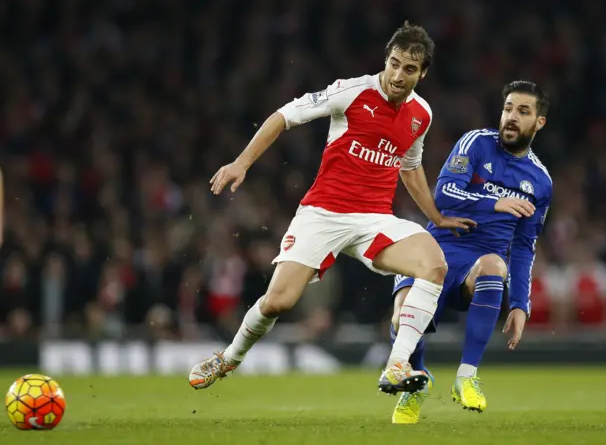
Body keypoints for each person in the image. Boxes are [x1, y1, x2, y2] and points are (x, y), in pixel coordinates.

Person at [188, 22, 476, 394]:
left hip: (374, 219)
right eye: (394, 63)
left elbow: (410, 166)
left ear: (423, 73)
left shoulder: (421, 114)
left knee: (434, 265)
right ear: (385, 60)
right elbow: (283, 116)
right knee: (278, 302)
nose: (398, 75)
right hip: (323, 214)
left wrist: (435, 217)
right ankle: (228, 358)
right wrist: (242, 162)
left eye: (409, 69)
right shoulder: (351, 91)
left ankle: (396, 364)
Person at [389, 80, 553, 423]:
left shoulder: (539, 181)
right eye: (508, 108)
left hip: (477, 265)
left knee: (496, 264)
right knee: (400, 312)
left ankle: (466, 376)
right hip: (437, 247)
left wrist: (521, 304)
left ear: (539, 122)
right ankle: (416, 382)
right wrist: (496, 202)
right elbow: (444, 194)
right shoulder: (476, 142)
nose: (511, 117)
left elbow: (524, 247)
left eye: (523, 111)